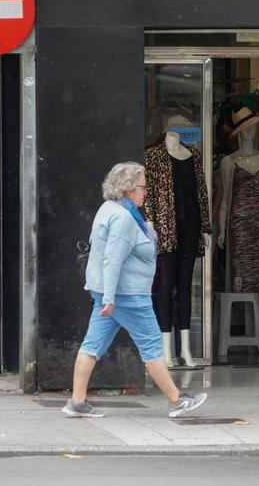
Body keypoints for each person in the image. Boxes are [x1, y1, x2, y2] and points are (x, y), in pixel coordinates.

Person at [62, 162, 207, 418]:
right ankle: (176, 400)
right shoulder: (123, 219)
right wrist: (110, 298)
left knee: (92, 346)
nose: (146, 191)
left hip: (110, 294)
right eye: (142, 186)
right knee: (151, 347)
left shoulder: (109, 209)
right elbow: (113, 259)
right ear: (128, 189)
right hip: (128, 296)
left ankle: (77, 402)